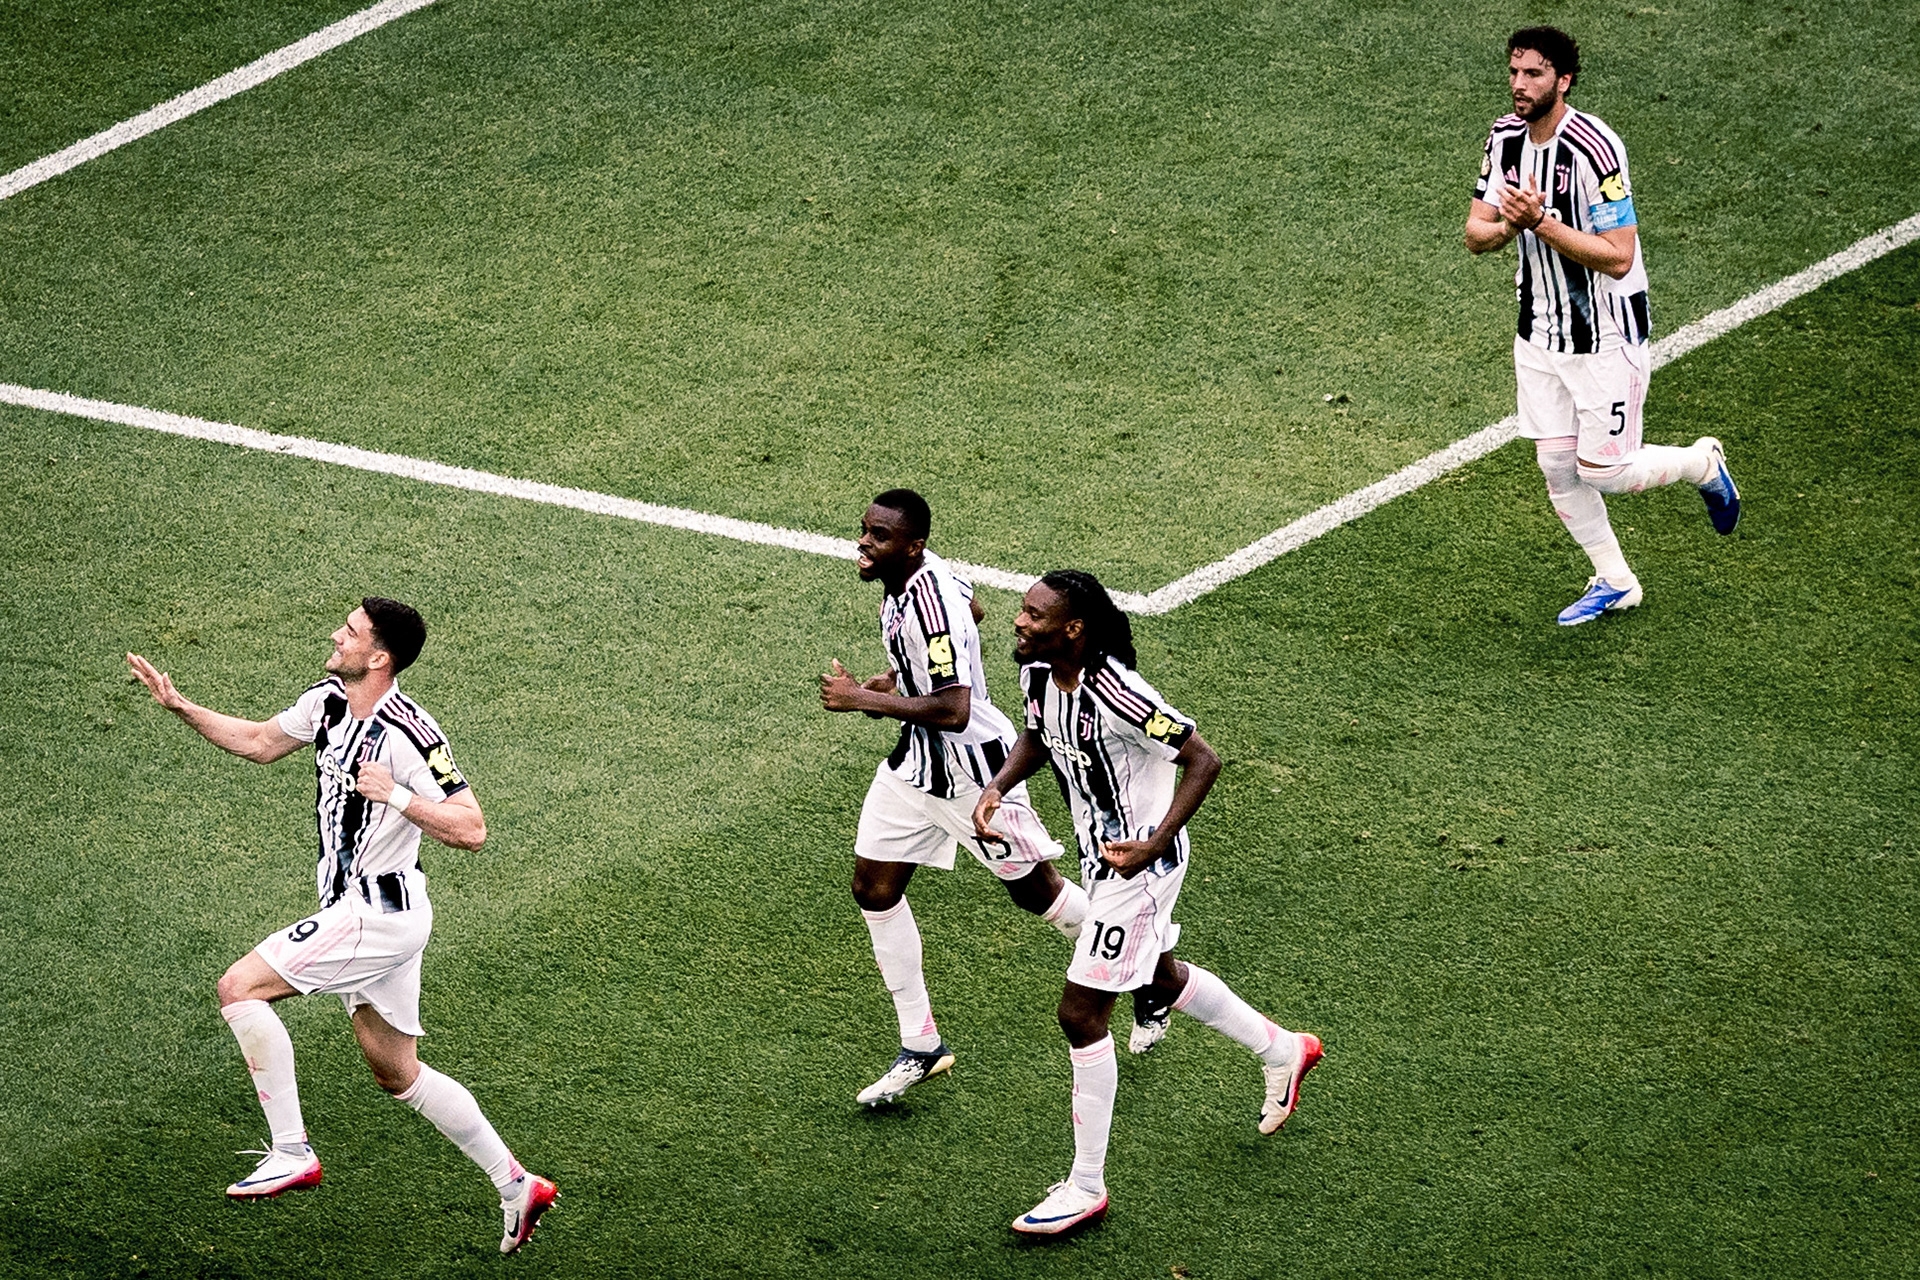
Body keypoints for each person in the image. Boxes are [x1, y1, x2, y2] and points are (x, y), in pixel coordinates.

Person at [127, 598, 556, 1255]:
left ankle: (291, 1151)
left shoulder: (412, 735)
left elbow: (472, 828)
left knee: (240, 988)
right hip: (377, 916)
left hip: (374, 914)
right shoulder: (327, 702)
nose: (336, 634)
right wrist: (181, 706)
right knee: (397, 1073)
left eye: (350, 632)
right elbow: (260, 742)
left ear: (379, 657)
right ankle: (517, 1184)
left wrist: (397, 795)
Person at [973, 571, 1321, 1235]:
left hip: (1142, 867)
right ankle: (1281, 1048)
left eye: (1035, 615)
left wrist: (1154, 841)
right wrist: (997, 786)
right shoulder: (1038, 672)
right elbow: (1039, 737)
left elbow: (1204, 759)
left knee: (1080, 1014)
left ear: (1074, 629)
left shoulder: (1120, 693)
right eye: (1022, 610)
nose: (1019, 622)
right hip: (1099, 860)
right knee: (1158, 976)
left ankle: (1085, 1186)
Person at [820, 489, 1093, 1106]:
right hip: (916, 767)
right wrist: (902, 677)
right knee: (873, 887)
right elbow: (975, 608)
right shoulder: (917, 576)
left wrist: (865, 699)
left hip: (974, 773)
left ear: (912, 546)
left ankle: (1146, 961)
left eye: (879, 536)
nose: (864, 543)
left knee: (1038, 894)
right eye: (865, 530)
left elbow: (955, 709)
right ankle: (920, 1044)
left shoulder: (929, 606)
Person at [1465, 25, 1741, 626]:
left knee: (1606, 471)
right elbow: (1476, 233)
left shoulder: (1595, 148)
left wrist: (1540, 223)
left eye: (1533, 73)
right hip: (1538, 330)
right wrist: (1511, 226)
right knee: (1556, 467)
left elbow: (1618, 255)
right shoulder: (1503, 137)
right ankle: (1616, 580)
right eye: (1514, 72)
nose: (1519, 84)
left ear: (1563, 80)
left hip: (1606, 335)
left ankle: (1702, 464)